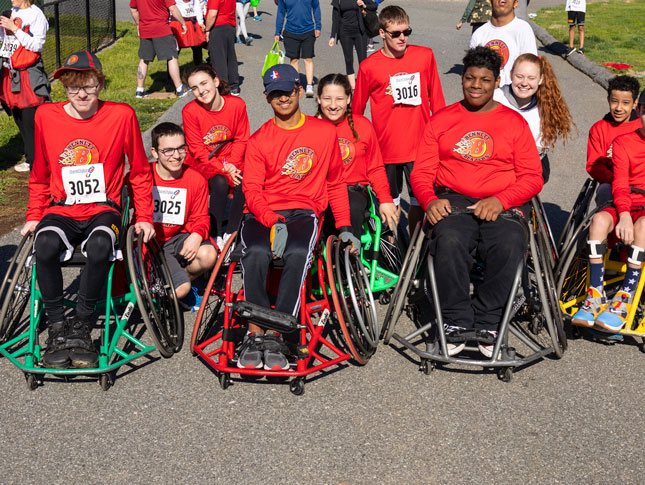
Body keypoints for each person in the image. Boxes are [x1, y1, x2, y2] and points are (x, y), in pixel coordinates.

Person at [21, 51, 154, 369]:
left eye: (89, 85)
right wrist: (33, 214)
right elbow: (40, 172)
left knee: (99, 245)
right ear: (64, 86)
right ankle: (56, 327)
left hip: (103, 208)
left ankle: (80, 325)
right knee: (45, 244)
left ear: (100, 83)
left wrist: (146, 216)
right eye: (73, 86)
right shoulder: (46, 117)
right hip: (62, 208)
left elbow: (138, 171)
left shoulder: (121, 116)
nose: (81, 93)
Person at [411, 46, 543, 357]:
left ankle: (488, 321)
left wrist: (501, 199)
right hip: (454, 199)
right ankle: (455, 320)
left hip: (503, 201)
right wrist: (429, 200)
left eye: (484, 80)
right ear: (462, 80)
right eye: (470, 78)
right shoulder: (442, 120)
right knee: (450, 238)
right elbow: (421, 172)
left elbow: (532, 177)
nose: (476, 85)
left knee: (510, 242)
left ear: (497, 82)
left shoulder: (513, 123)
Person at [238, 63, 356, 370]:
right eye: (276, 94)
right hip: (263, 213)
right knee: (256, 252)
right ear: (267, 98)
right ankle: (253, 333)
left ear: (299, 91)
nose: (283, 99)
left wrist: (344, 225)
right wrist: (272, 221)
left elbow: (335, 181)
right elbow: (251, 189)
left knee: (298, 252)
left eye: (288, 92)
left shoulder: (324, 133)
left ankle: (277, 332)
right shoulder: (259, 140)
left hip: (304, 211)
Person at [353, 5, 445, 235]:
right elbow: (356, 112)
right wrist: (357, 147)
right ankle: (394, 250)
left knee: (420, 204)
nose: (402, 38)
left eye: (406, 32)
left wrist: (443, 138)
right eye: (396, 33)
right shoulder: (368, 67)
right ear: (382, 33)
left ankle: (415, 246)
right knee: (390, 206)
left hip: (420, 149)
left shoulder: (424, 56)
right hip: (386, 151)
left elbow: (438, 101)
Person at [571, 91, 645, 332]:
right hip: (626, 200)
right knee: (600, 220)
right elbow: (620, 183)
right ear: (640, 111)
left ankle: (625, 296)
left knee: (643, 226)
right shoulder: (623, 142)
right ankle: (595, 293)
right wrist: (623, 213)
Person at [315, 72, 397, 237]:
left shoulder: (362, 126)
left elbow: (375, 168)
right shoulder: (310, 128)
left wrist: (386, 199)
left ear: (348, 99)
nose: (332, 105)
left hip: (353, 190)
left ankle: (350, 257)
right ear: (318, 99)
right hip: (321, 192)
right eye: (327, 99)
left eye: (339, 99)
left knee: (351, 208)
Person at [149, 122, 217, 308]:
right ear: (155, 153)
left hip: (177, 238)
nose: (176, 156)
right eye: (168, 151)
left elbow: (202, 217)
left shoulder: (196, 179)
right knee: (180, 290)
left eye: (181, 148)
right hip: (151, 243)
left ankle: (176, 280)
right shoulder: (142, 176)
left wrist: (197, 235)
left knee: (208, 254)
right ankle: (172, 286)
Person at [182, 64, 248, 248]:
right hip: (203, 161)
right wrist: (224, 169)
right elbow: (197, 149)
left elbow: (241, 139)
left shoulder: (237, 105)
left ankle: (231, 233)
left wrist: (232, 165)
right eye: (195, 88)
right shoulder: (190, 111)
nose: (201, 91)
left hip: (232, 159)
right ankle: (215, 232)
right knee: (219, 182)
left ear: (216, 81)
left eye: (204, 84)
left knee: (243, 180)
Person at [494, 53, 575, 183]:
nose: (524, 83)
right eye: (519, 77)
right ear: (510, 75)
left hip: (530, 162)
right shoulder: (495, 98)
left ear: (541, 79)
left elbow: (537, 151)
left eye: (531, 78)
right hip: (495, 160)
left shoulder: (546, 106)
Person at [0, 0, 49, 173]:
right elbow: (7, 41)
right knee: (19, 117)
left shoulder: (36, 15)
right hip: (10, 70)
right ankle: (32, 158)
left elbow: (37, 45)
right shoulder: (11, 11)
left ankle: (37, 161)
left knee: (30, 119)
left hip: (27, 72)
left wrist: (15, 29)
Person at [587, 75, 641, 205]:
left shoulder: (641, 126)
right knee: (604, 191)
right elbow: (594, 166)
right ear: (608, 100)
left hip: (640, 185)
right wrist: (618, 182)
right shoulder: (599, 129)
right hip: (611, 183)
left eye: (625, 103)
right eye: (614, 101)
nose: (618, 108)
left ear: (635, 104)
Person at [130, 0, 191, 99]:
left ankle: (139, 90)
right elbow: (173, 8)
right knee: (172, 57)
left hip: (145, 29)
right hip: (161, 28)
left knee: (144, 59)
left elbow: (133, 9)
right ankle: (180, 88)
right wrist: (183, 23)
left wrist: (138, 23)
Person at [469, 0, 537, 87]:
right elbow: (473, 71)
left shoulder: (523, 29)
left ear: (516, 3)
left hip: (514, 95)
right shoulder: (479, 34)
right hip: (487, 96)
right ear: (490, 2)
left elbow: (530, 69)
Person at [274, 0, 322, 98]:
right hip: (290, 31)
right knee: (294, 59)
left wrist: (318, 26)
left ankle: (309, 86)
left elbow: (316, 8)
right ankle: (297, 84)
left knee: (308, 58)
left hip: (308, 31)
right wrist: (277, 31)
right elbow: (281, 12)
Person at [328, 0, 376, 90]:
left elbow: (373, 6)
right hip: (345, 32)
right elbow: (335, 17)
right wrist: (332, 36)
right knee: (348, 60)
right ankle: (353, 86)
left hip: (360, 32)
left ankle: (364, 83)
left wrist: (364, 5)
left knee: (363, 60)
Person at [205, 0, 241, 96]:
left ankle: (223, 87)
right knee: (230, 57)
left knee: (218, 59)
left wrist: (207, 29)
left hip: (218, 27)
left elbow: (212, 14)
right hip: (230, 26)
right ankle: (234, 86)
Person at [171, 0, 207, 65]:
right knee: (175, 50)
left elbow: (197, 5)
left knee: (197, 48)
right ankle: (172, 73)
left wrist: (200, 22)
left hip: (192, 22)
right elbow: (170, 7)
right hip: (177, 22)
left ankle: (199, 69)